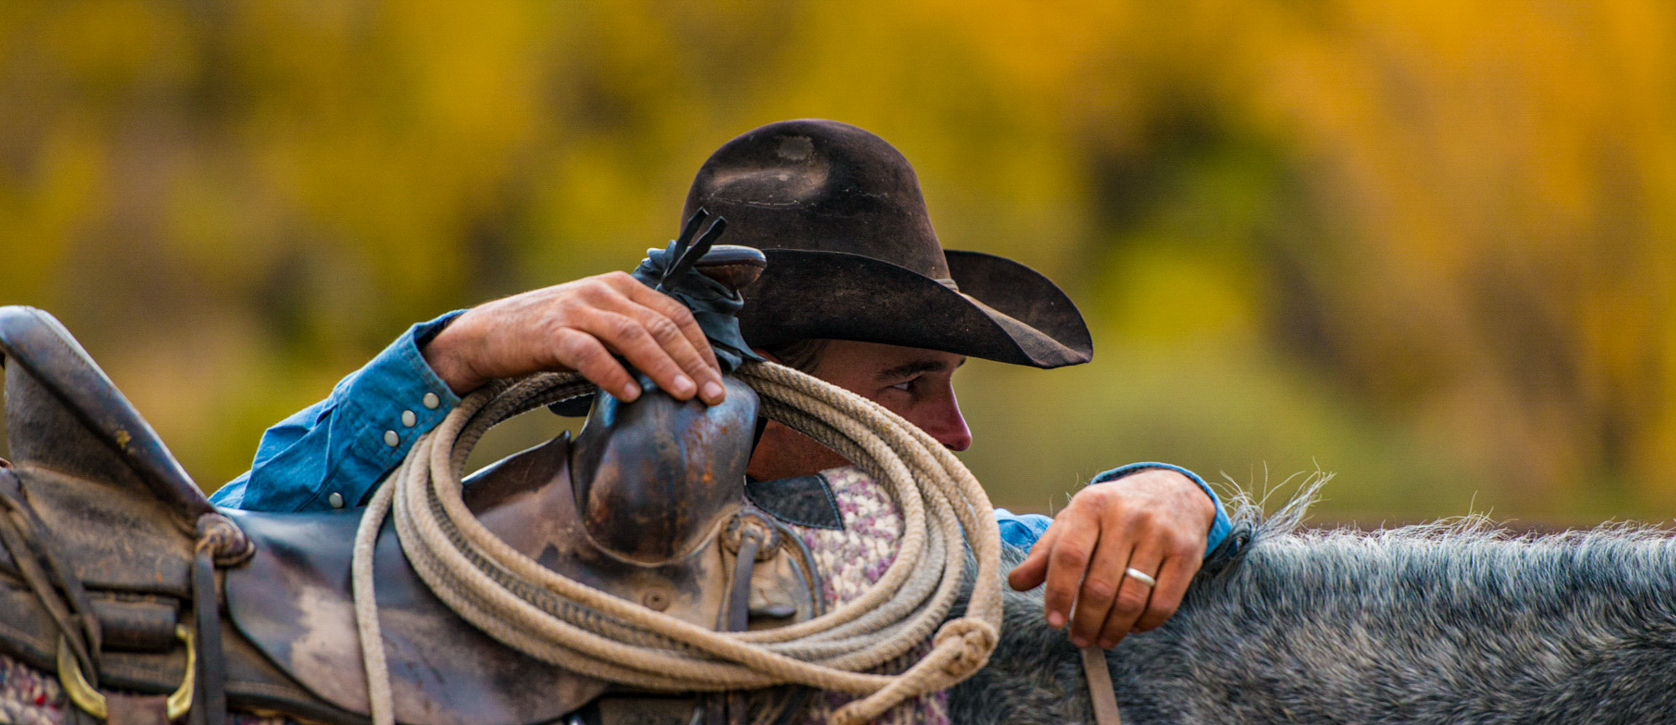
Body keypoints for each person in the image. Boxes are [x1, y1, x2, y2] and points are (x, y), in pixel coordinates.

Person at [214, 119, 1231, 653]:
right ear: (767, 386)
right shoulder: (490, 539)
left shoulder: (920, 554)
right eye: (911, 382)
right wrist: (455, 354)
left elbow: (1046, 559)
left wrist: (1167, 493)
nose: (954, 433)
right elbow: (229, 546)